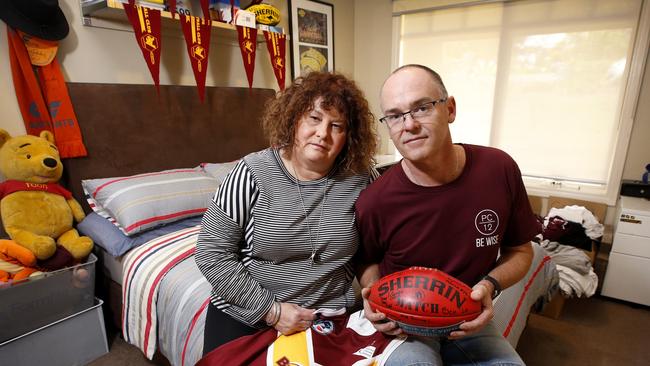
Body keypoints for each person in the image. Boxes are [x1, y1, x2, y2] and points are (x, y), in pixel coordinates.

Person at [355, 64, 539, 366]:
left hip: (467, 315)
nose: (409, 125)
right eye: (395, 115)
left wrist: (490, 286)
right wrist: (372, 295)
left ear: (449, 109)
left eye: (421, 108)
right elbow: (366, 260)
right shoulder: (375, 201)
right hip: (404, 322)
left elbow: (520, 250)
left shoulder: (499, 169)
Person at [195, 71, 378, 356]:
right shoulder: (251, 172)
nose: (322, 133)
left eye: (337, 125)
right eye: (314, 118)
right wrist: (272, 311)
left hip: (327, 319)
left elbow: (375, 248)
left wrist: (376, 292)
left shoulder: (363, 179)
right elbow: (211, 252)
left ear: (349, 136)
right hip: (247, 316)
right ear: (294, 119)